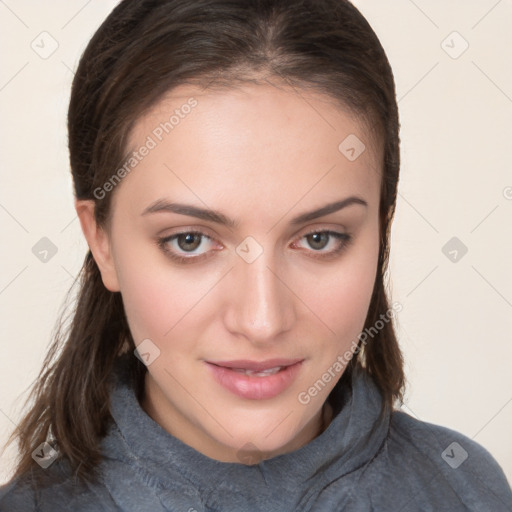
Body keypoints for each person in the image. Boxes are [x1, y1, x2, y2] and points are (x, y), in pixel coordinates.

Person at [0, 0, 511, 510]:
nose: (262, 321)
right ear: (102, 243)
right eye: (190, 241)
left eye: (319, 238)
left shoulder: (466, 490)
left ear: (381, 232)